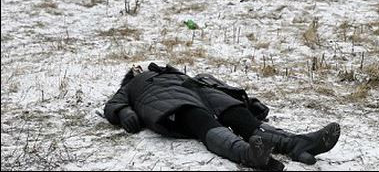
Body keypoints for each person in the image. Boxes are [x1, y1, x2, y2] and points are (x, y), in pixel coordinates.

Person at [104, 62, 341, 171]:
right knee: (201, 120)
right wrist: (124, 111)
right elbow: (113, 104)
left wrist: (248, 102)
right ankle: (247, 154)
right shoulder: (132, 86)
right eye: (135, 69)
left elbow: (215, 83)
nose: (140, 67)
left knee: (238, 115)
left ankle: (297, 144)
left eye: (141, 66)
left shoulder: (175, 72)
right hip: (172, 104)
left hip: (201, 93)